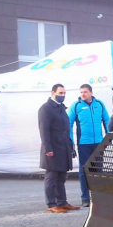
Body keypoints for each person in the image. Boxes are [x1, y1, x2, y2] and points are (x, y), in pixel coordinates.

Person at [68, 83, 110, 207]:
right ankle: (85, 198)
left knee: (98, 170)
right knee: (84, 170)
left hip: (98, 142)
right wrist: (71, 142)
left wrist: (108, 138)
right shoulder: (76, 106)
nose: (83, 94)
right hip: (83, 143)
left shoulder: (99, 104)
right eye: (81, 92)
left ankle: (98, 196)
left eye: (85, 92)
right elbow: (68, 124)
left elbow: (107, 121)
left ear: (91, 93)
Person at [38, 84, 78, 213]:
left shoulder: (61, 108)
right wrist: (47, 148)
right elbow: (44, 131)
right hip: (53, 148)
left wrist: (71, 143)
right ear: (53, 92)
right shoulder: (46, 109)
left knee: (61, 176)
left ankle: (62, 202)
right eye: (60, 93)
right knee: (51, 177)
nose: (62, 95)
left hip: (64, 146)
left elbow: (65, 129)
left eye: (64, 93)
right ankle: (51, 204)